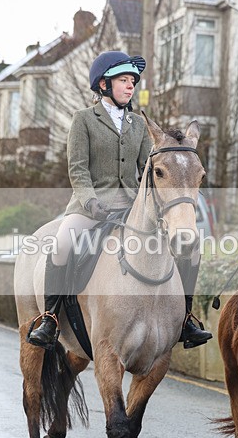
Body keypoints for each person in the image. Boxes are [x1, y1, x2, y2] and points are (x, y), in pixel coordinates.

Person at [26, 50, 212, 350]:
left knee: (190, 250)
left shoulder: (139, 125)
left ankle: (186, 319)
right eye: (123, 80)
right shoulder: (83, 120)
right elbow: (77, 169)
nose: (130, 86)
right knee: (62, 243)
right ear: (103, 85)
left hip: (129, 207)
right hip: (90, 206)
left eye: (132, 81)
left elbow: (146, 171)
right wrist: (90, 202)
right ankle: (50, 318)